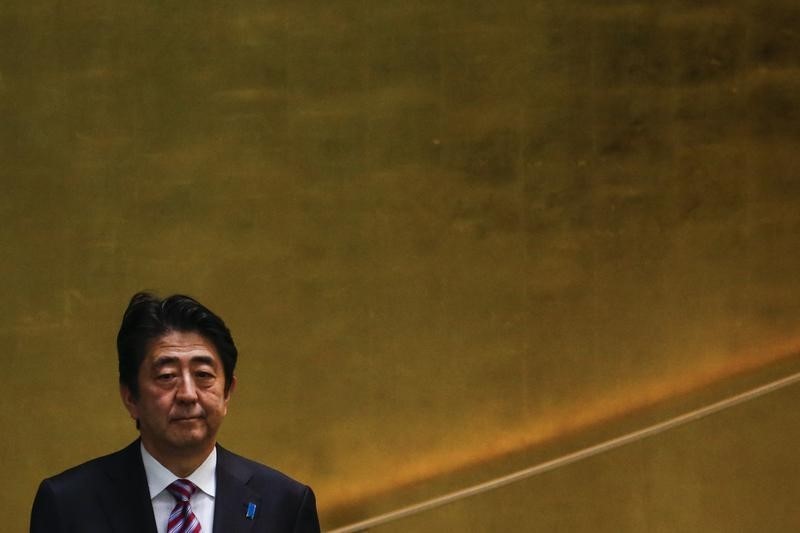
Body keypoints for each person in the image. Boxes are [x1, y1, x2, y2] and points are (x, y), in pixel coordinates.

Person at [30, 292, 320, 533]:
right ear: (130, 396)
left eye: (203, 374)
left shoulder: (285, 504)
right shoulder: (68, 504)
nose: (187, 394)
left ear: (228, 392)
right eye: (167, 376)